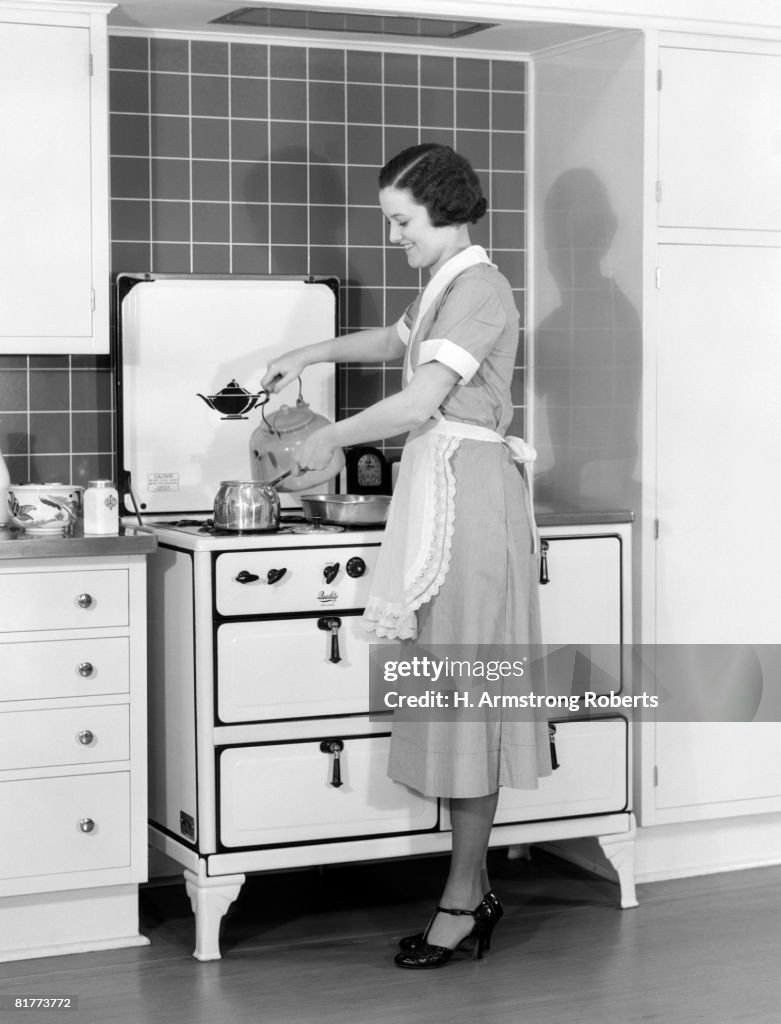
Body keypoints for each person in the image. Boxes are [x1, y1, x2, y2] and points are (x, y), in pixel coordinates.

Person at [261, 143, 551, 969]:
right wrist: (304, 355)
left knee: (466, 697)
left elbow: (423, 397)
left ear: (445, 211)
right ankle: (469, 888)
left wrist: (330, 434)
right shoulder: (445, 287)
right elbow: (392, 344)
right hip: (444, 492)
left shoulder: (483, 289)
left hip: (473, 499)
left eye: (400, 220)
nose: (393, 235)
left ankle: (464, 897)